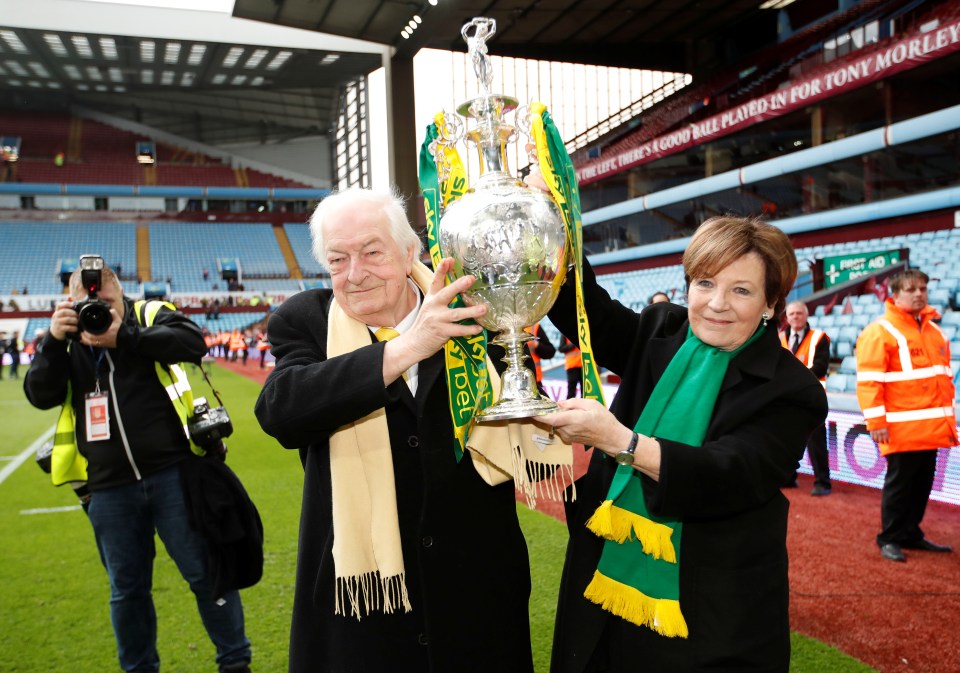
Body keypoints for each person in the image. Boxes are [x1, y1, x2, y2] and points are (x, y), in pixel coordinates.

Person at [254, 187, 551, 673]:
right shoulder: (305, 320)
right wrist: (410, 347)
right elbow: (281, 411)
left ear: (410, 251)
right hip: (365, 597)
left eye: (372, 252)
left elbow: (522, 413)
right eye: (337, 259)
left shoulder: (475, 310)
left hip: (475, 586)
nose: (355, 274)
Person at [544, 216, 828, 672]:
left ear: (771, 303)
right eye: (705, 282)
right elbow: (583, 307)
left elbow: (731, 471)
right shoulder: (661, 328)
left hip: (706, 611)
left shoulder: (793, 390)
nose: (716, 304)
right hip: (603, 586)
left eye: (741, 290)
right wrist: (552, 221)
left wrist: (622, 442)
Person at [23, 262, 253, 673]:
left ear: (120, 294)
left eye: (106, 303)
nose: (98, 311)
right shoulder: (68, 338)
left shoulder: (147, 314)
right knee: (126, 592)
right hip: (109, 488)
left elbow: (191, 341)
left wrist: (123, 335)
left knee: (206, 574)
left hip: (174, 474)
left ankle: (235, 663)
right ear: (71, 303)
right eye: (87, 304)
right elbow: (40, 394)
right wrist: (55, 341)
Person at [855, 268, 956, 563]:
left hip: (931, 428)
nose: (918, 294)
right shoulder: (879, 331)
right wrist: (876, 422)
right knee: (899, 486)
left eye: (922, 289)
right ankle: (889, 537)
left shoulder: (935, 331)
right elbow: (870, 381)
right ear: (894, 295)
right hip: (900, 429)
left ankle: (911, 533)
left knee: (922, 484)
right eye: (911, 290)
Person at [780, 300, 832, 495]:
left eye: (799, 313)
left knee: (817, 443)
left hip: (813, 399)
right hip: (787, 400)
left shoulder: (820, 338)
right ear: (786, 318)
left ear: (806, 315)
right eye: (791, 314)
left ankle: (822, 483)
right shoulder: (779, 338)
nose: (795, 317)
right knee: (785, 441)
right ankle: (788, 477)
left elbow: (820, 367)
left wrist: (792, 378)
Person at [558, 335, 582, 399]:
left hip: (584, 366)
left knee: (585, 391)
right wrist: (572, 345)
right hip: (572, 366)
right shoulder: (565, 333)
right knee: (571, 390)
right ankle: (570, 407)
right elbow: (561, 348)